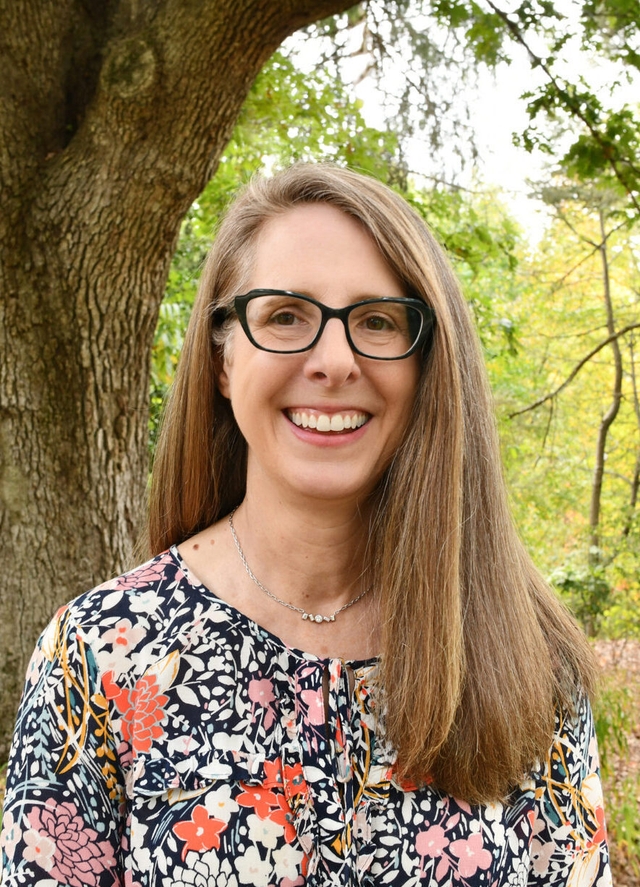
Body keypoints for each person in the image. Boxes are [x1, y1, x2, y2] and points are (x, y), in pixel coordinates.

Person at [1, 164, 610, 887]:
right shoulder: (99, 657)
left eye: (377, 320)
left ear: (427, 363)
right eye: (286, 315)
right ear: (223, 355)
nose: (333, 361)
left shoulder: (527, 660)